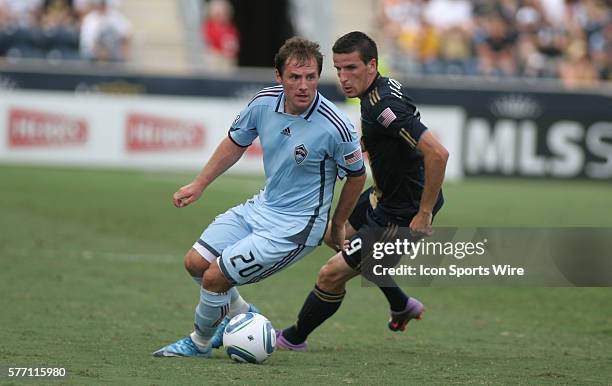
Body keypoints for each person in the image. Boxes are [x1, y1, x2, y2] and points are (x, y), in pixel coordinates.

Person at [153, 36, 366, 357]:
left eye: (311, 77)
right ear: (279, 77)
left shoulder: (336, 126)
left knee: (214, 277)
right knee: (196, 263)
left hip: (296, 228)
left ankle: (198, 343)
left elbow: (357, 175)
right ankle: (238, 316)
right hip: (263, 207)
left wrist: (337, 224)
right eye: (295, 77)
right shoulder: (264, 102)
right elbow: (235, 142)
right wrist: (199, 184)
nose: (304, 85)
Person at [276, 31, 448, 351]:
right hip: (382, 196)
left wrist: (424, 213)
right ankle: (400, 303)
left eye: (351, 68)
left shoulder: (384, 105)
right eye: (339, 69)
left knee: (331, 274)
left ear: (372, 65)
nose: (343, 77)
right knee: (334, 235)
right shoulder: (376, 92)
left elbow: (438, 154)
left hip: (403, 211)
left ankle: (292, 338)